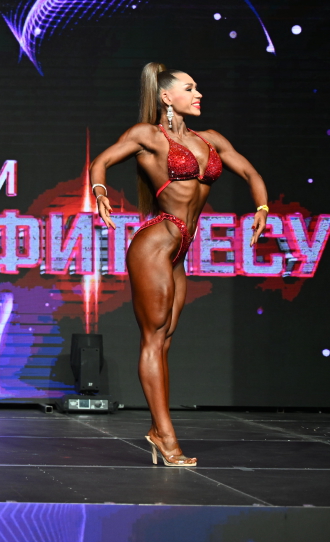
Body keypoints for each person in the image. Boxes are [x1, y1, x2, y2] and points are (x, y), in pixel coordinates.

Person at [90, 63, 269, 467]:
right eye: (190, 88)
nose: (198, 94)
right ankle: (166, 437)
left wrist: (261, 208)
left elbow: (250, 171)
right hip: (155, 244)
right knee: (153, 339)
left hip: (179, 251)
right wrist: (100, 193)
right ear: (167, 97)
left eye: (197, 87)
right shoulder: (148, 136)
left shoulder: (211, 139)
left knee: (166, 339)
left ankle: (159, 430)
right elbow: (99, 162)